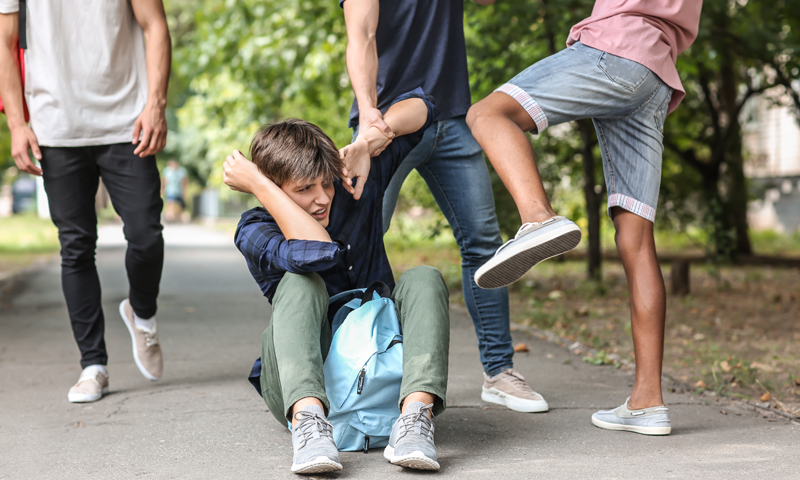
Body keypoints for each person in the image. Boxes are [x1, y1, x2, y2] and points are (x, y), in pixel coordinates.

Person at [466, 0, 703, 435]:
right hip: (657, 71)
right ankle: (647, 401)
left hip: (614, 48)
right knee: (637, 240)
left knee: (486, 113)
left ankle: (538, 217)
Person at [340, 0, 549, 415]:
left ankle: (499, 371)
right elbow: (360, 35)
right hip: (385, 126)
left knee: (483, 244)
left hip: (451, 116)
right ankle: (352, 368)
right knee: (358, 246)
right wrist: (367, 113)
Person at [224, 91, 450, 474]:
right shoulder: (255, 229)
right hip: (305, 385)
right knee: (300, 283)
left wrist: (365, 142)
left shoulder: (351, 184)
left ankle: (415, 419)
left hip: (382, 364)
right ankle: (310, 428)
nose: (321, 198)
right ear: (275, 191)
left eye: (324, 183)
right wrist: (263, 187)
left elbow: (427, 107)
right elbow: (318, 252)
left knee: (424, 277)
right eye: (304, 189)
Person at [0, 0, 171, 403]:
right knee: (75, 248)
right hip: (55, 128)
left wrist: (156, 105)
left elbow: (156, 25)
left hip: (127, 122)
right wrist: (16, 124)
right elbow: (6, 43)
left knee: (147, 236)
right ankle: (93, 366)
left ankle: (142, 313)